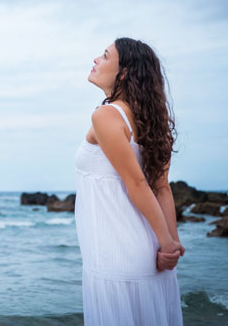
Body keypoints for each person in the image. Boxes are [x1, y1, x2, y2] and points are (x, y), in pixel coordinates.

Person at [74, 37, 185, 325]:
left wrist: (167, 245)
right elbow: (161, 188)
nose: (96, 60)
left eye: (105, 55)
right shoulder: (154, 122)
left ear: (123, 72)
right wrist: (170, 246)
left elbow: (136, 184)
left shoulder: (106, 115)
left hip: (116, 257)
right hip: (153, 259)